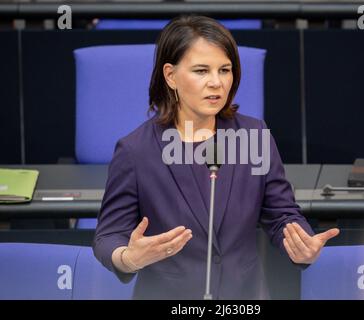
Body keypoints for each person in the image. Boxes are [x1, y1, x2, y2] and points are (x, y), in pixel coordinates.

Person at [93, 15, 340, 300]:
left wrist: (300, 242)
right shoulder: (136, 150)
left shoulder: (253, 135)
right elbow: (108, 235)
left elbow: (281, 214)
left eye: (225, 70)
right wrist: (127, 258)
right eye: (201, 71)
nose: (216, 83)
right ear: (170, 75)